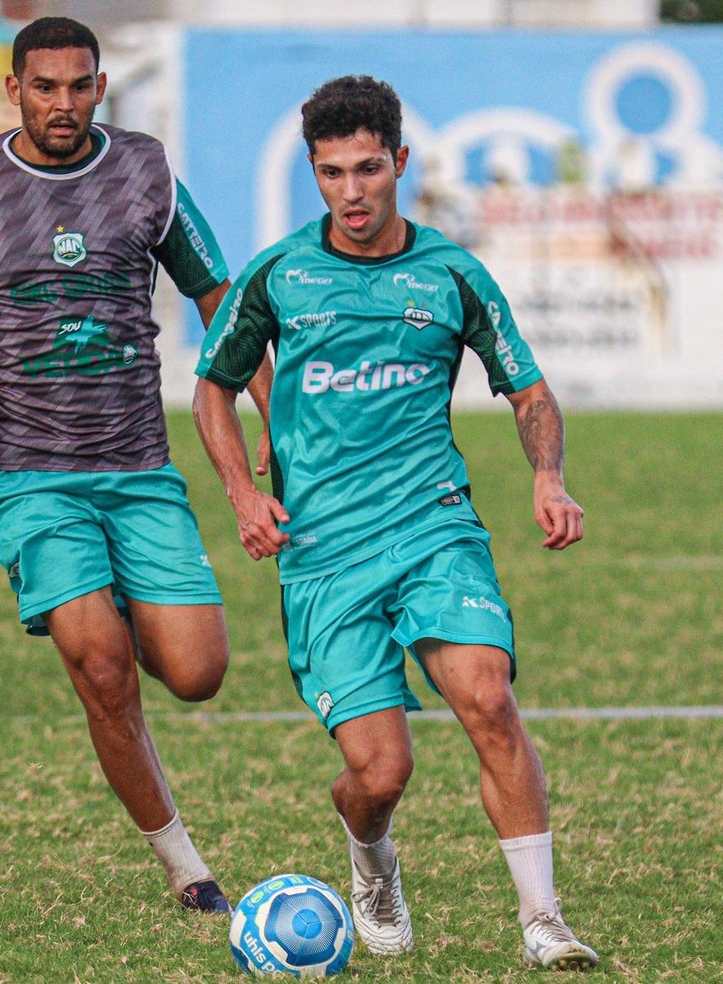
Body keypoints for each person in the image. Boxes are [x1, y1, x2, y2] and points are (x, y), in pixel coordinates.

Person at [193, 75, 599, 971]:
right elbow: (211, 389)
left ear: (400, 163)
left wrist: (548, 477)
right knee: (383, 773)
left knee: (488, 697)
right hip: (324, 554)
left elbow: (526, 386)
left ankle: (544, 921)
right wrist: (241, 493)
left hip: (433, 527)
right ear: (314, 173)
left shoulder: (451, 273)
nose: (353, 191)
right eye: (332, 173)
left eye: (369, 169)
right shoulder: (280, 274)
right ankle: (371, 860)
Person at [0, 16, 267, 914]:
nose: (64, 104)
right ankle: (186, 867)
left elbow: (221, 297)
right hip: (27, 469)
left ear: (102, 87)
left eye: (80, 86)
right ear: (14, 88)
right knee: (101, 669)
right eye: (45, 86)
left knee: (198, 673)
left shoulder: (146, 172)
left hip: (138, 464)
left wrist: (269, 414)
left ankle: (115, 599)